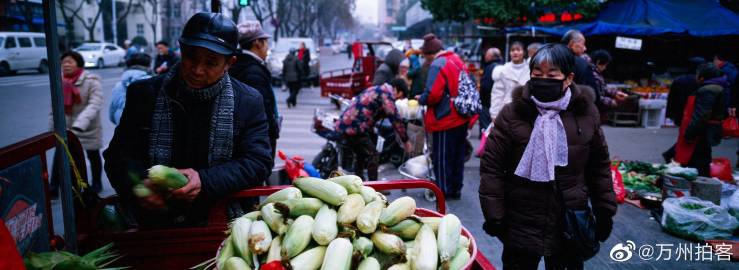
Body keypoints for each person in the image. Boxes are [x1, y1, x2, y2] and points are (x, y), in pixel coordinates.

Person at [103, 12, 273, 228]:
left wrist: (205, 180)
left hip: (220, 221)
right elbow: (118, 156)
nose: (198, 70)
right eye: (191, 57)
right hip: (152, 223)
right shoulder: (144, 94)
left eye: (211, 62)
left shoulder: (248, 101)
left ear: (229, 63)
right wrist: (138, 186)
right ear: (181, 50)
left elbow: (257, 162)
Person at [480, 44, 615, 270]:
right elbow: (492, 167)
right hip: (521, 219)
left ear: (568, 78)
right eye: (537, 75)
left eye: (551, 75)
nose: (543, 80)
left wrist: (604, 211)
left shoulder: (586, 114)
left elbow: (598, 167)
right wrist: (495, 215)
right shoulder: (512, 114)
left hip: (569, 219)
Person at [417, 33, 470, 200]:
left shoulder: (438, 64)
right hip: (461, 115)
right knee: (457, 156)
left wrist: (422, 98)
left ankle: (443, 191)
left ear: (429, 53)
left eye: (424, 55)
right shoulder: (456, 59)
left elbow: (433, 94)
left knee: (442, 157)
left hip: (445, 118)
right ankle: (456, 188)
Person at [336, 79, 412, 181]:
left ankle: (360, 181)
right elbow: (395, 119)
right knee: (373, 155)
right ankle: (374, 187)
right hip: (355, 127)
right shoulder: (387, 95)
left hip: (348, 124)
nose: (397, 100)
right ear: (397, 90)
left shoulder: (378, 89)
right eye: (400, 97)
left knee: (361, 153)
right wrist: (406, 141)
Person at [51, 51, 104, 194]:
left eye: (70, 62)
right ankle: (54, 186)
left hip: (87, 126)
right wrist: (52, 128)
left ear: (79, 63)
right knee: (60, 154)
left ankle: (97, 183)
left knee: (93, 154)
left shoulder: (91, 80)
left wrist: (80, 123)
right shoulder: (60, 82)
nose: (66, 65)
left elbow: (95, 103)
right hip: (66, 127)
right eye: (64, 62)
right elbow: (55, 107)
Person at [230, 20, 280, 160]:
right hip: (256, 139)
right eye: (266, 42)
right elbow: (262, 109)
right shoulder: (253, 71)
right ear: (257, 43)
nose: (267, 47)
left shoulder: (242, 64)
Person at [674, 63, 728, 176]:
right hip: (706, 132)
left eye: (697, 74)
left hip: (699, 135)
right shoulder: (718, 87)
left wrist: (689, 134)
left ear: (702, 77)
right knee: (702, 160)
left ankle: (695, 188)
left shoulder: (708, 90)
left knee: (696, 164)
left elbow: (702, 115)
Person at [663, 57, 705, 162]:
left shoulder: (679, 80)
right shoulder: (700, 81)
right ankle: (672, 154)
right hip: (694, 113)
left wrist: (670, 114)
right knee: (691, 137)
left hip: (680, 114)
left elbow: (671, 99)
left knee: (686, 136)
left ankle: (676, 155)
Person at [489, 41, 529, 121]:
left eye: (518, 50)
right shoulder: (503, 70)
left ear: (524, 52)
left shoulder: (530, 70)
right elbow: (497, 93)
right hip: (506, 111)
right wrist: (494, 114)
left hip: (526, 112)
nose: (515, 52)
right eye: (512, 50)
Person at [110, 52, 151, 125]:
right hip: (147, 128)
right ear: (148, 66)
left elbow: (112, 112)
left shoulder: (118, 85)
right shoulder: (153, 82)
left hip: (122, 126)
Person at [562, 30, 600, 101]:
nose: (585, 48)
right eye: (583, 44)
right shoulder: (582, 63)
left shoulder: (552, 58)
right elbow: (593, 92)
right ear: (572, 44)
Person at [590, 49, 627, 116]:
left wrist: (615, 93)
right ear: (598, 62)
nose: (605, 68)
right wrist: (611, 102)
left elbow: (603, 87)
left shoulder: (597, 73)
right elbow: (595, 96)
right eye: (604, 65)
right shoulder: (592, 74)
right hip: (592, 110)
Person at [479, 47, 503, 133]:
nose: (485, 56)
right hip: (498, 104)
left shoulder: (490, 67)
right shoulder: (503, 65)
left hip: (488, 104)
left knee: (486, 131)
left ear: (490, 56)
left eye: (486, 54)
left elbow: (485, 87)